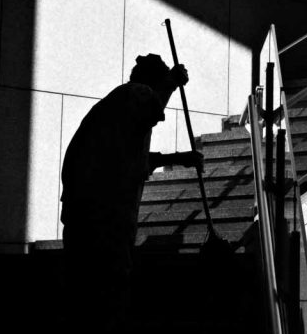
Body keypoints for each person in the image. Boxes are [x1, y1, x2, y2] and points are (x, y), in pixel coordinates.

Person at [60, 53, 203, 333]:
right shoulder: (133, 94)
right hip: (102, 215)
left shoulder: (116, 113)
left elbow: (132, 160)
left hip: (90, 211)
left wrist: (179, 158)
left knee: (89, 291)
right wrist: (171, 82)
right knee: (105, 289)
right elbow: (152, 107)